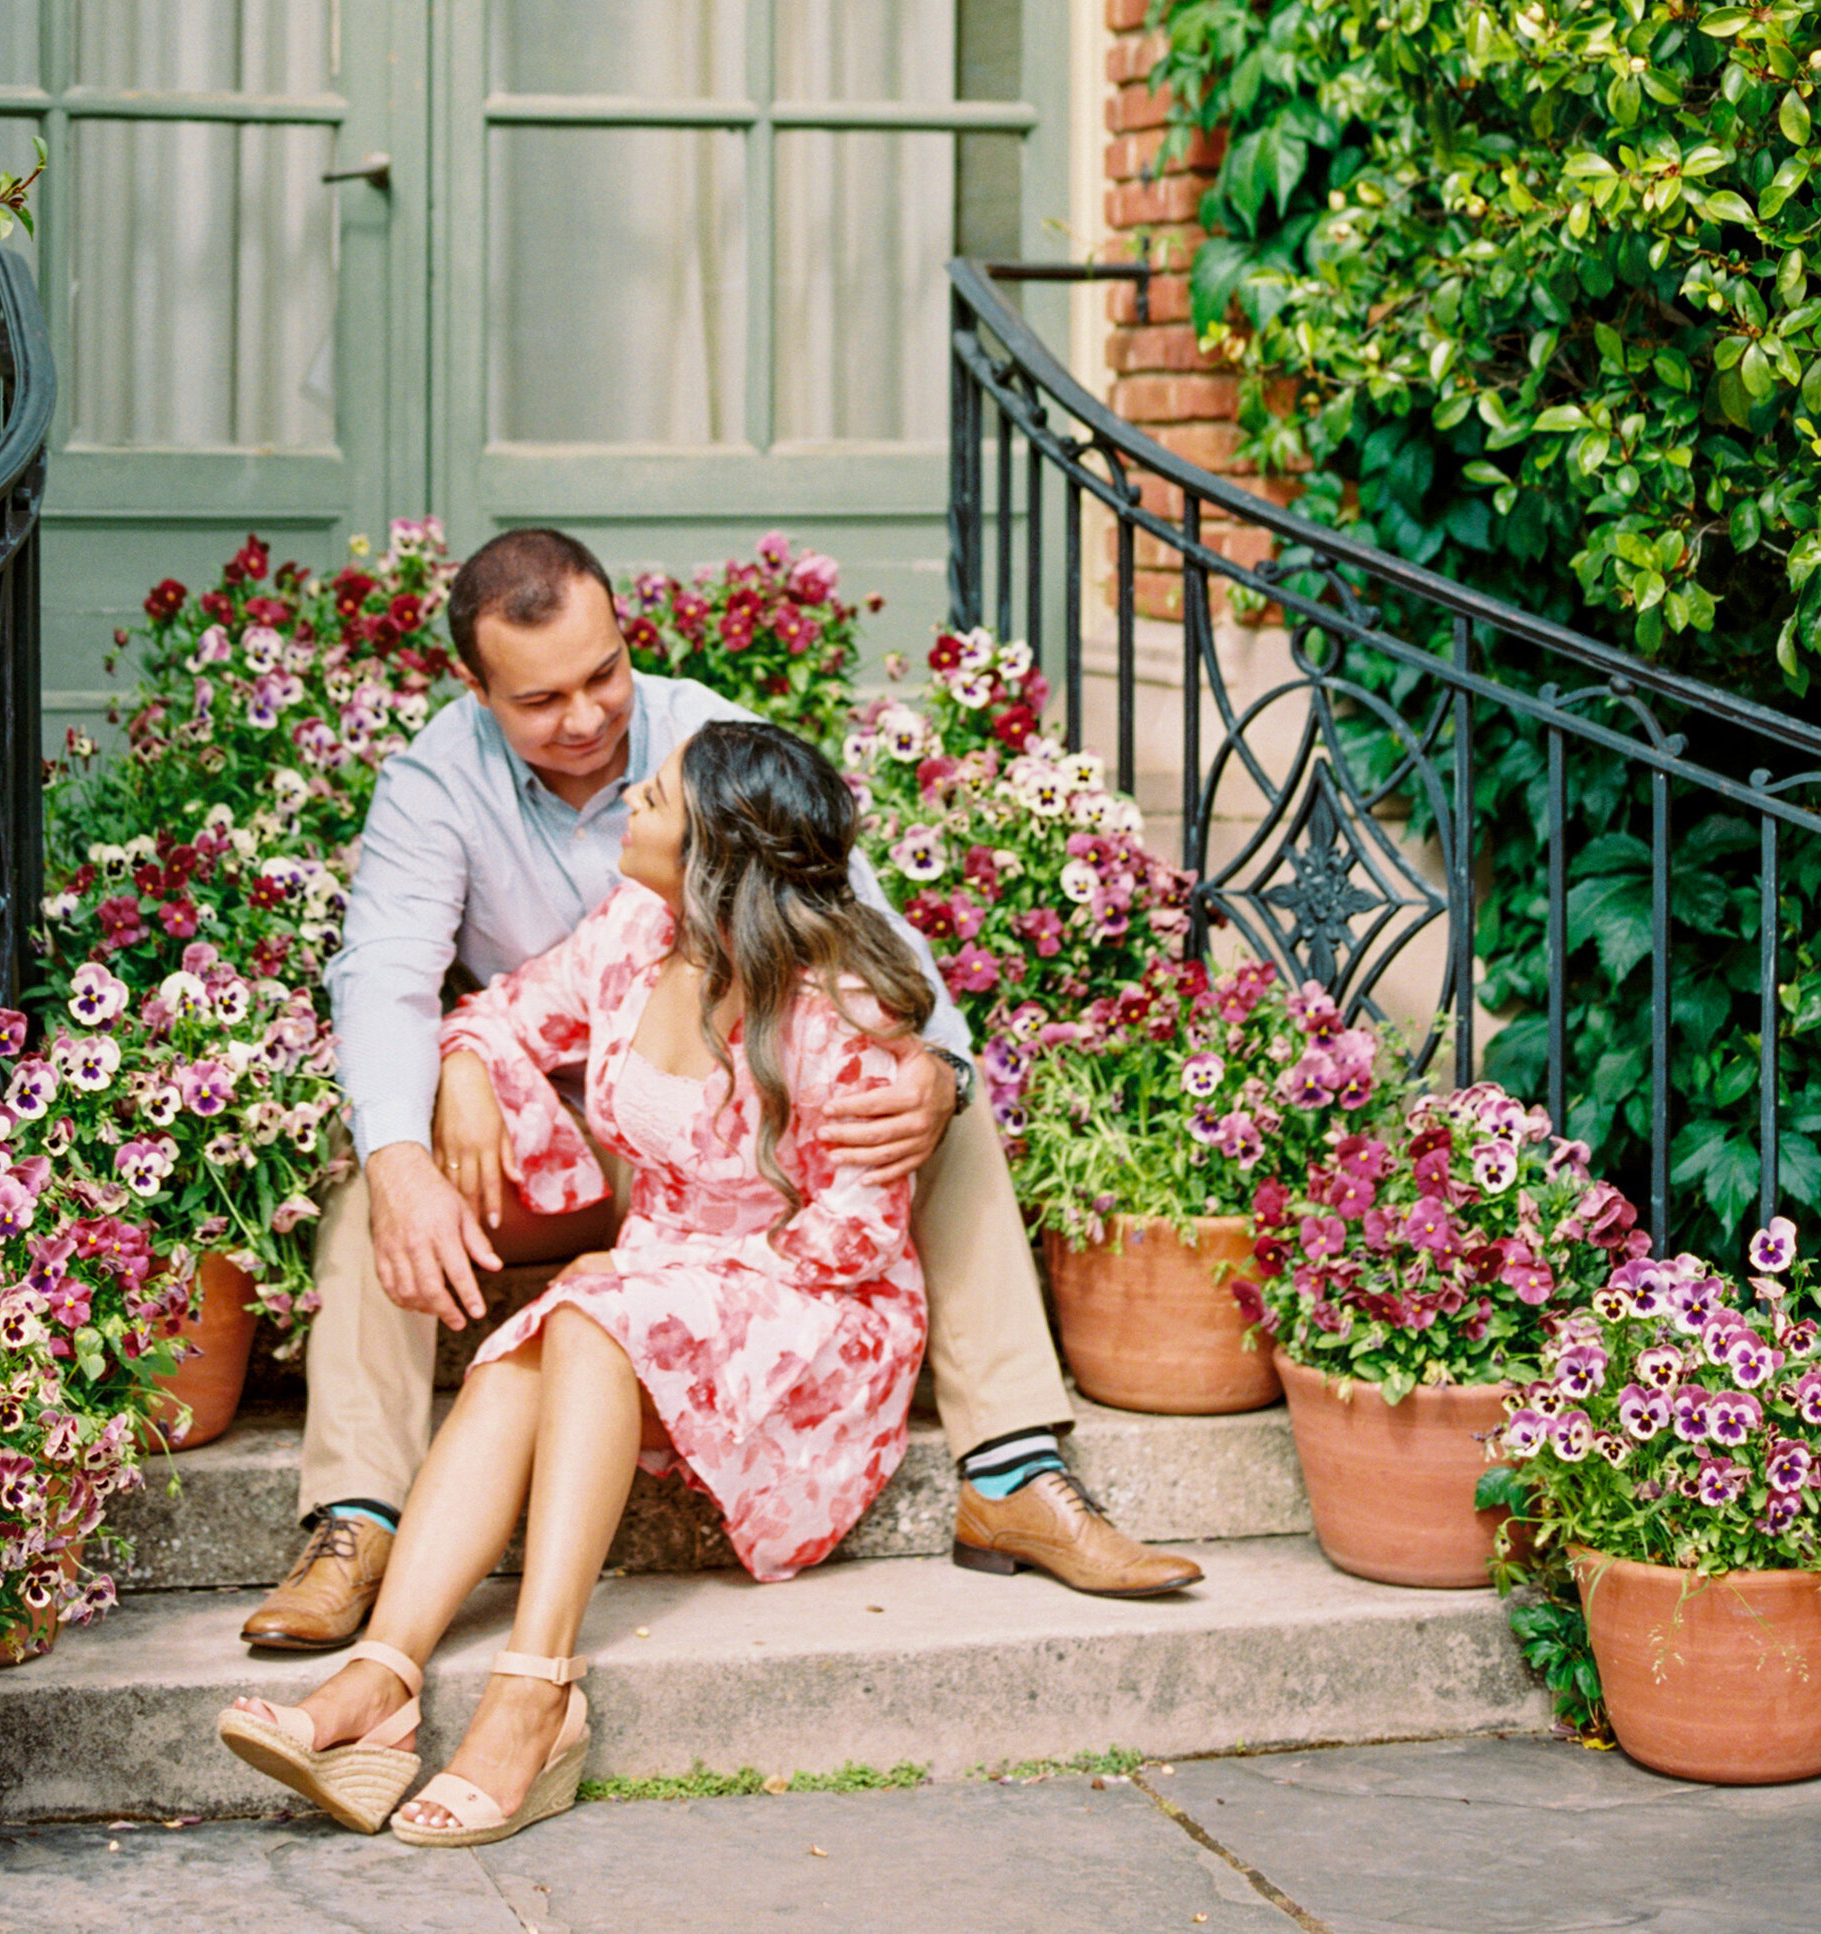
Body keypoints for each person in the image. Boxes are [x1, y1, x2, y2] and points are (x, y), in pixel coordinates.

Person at [239, 527, 1198, 1657]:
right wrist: (439, 1093)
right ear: (476, 686)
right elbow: (386, 979)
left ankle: (1013, 1470)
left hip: (741, 1144)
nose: (589, 717)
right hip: (546, 1125)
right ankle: (357, 1518)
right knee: (380, 1180)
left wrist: (936, 1071)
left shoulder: (699, 737)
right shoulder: (435, 781)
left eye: (604, 674)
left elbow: (861, 922)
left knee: (937, 1096)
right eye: (542, 698)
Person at [217, 718, 937, 1841]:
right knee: (520, 1354)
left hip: (814, 1313)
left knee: (592, 1310)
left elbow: (850, 1238)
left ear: (714, 847)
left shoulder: (834, 1013)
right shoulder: (634, 932)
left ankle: (535, 1690)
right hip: (660, 1282)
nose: (630, 805)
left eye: (654, 799)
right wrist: (461, 1066)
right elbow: (502, 1011)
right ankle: (384, 1674)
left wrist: (670, 1271)